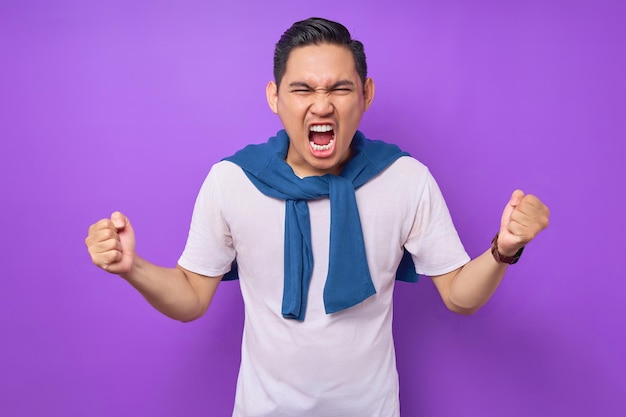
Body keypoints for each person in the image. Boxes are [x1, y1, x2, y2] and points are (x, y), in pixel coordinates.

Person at [85, 17, 550, 417]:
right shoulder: (233, 181)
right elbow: (190, 298)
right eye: (302, 89)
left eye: (340, 88)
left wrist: (503, 249)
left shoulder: (405, 179)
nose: (322, 104)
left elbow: (459, 296)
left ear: (365, 94)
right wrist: (133, 268)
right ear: (274, 97)